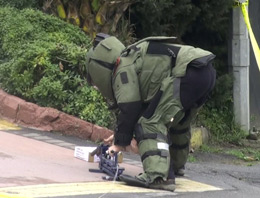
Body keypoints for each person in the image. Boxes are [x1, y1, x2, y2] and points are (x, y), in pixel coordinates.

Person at [85, 33, 216, 192]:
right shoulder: (133, 57)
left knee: (149, 123)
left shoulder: (122, 66)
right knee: (178, 123)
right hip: (204, 71)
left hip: (186, 72)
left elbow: (130, 107)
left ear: (98, 68)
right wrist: (120, 134)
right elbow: (140, 107)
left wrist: (119, 143)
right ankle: (175, 165)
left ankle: (157, 176)